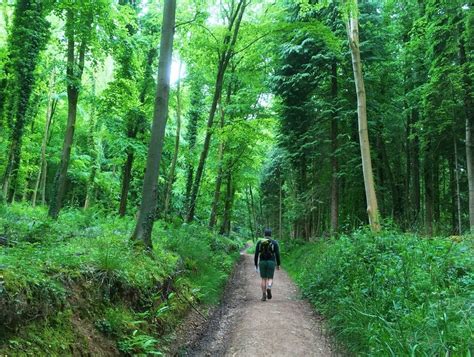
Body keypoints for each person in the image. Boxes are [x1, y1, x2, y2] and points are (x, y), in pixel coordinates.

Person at [254, 228, 281, 301]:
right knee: (270, 278)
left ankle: (263, 295)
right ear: (271, 234)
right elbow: (277, 254)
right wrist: (278, 264)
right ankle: (269, 287)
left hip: (262, 262)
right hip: (271, 262)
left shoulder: (260, 242)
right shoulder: (274, 242)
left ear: (264, 234)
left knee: (263, 279)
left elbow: (256, 254)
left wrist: (256, 264)